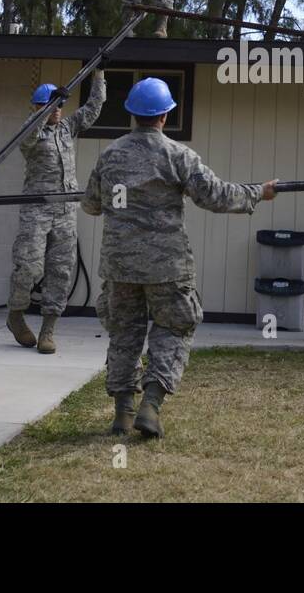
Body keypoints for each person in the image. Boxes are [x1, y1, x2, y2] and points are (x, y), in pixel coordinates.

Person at [83, 77, 278, 438]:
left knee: (124, 335)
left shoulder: (109, 155)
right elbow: (215, 196)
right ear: (165, 115)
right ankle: (151, 406)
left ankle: (123, 413)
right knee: (174, 328)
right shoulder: (178, 156)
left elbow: (92, 205)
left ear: (132, 114)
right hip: (166, 267)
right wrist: (258, 193)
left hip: (120, 266)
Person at [7, 70, 106, 354]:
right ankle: (15, 315)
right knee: (28, 265)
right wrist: (49, 105)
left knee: (60, 270)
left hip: (65, 210)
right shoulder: (31, 131)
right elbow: (26, 137)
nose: (59, 111)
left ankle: (48, 329)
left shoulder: (66, 128)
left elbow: (93, 109)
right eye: (52, 106)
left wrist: (98, 74)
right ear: (39, 107)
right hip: (37, 209)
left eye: (61, 106)